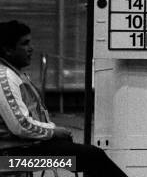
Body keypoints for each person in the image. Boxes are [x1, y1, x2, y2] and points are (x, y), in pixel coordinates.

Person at [0, 20, 128, 177]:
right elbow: (21, 125)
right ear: (7, 50)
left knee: (88, 158)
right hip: (14, 159)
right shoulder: (5, 77)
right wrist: (54, 132)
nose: (31, 48)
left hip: (26, 151)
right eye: (25, 44)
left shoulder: (14, 73)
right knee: (92, 156)